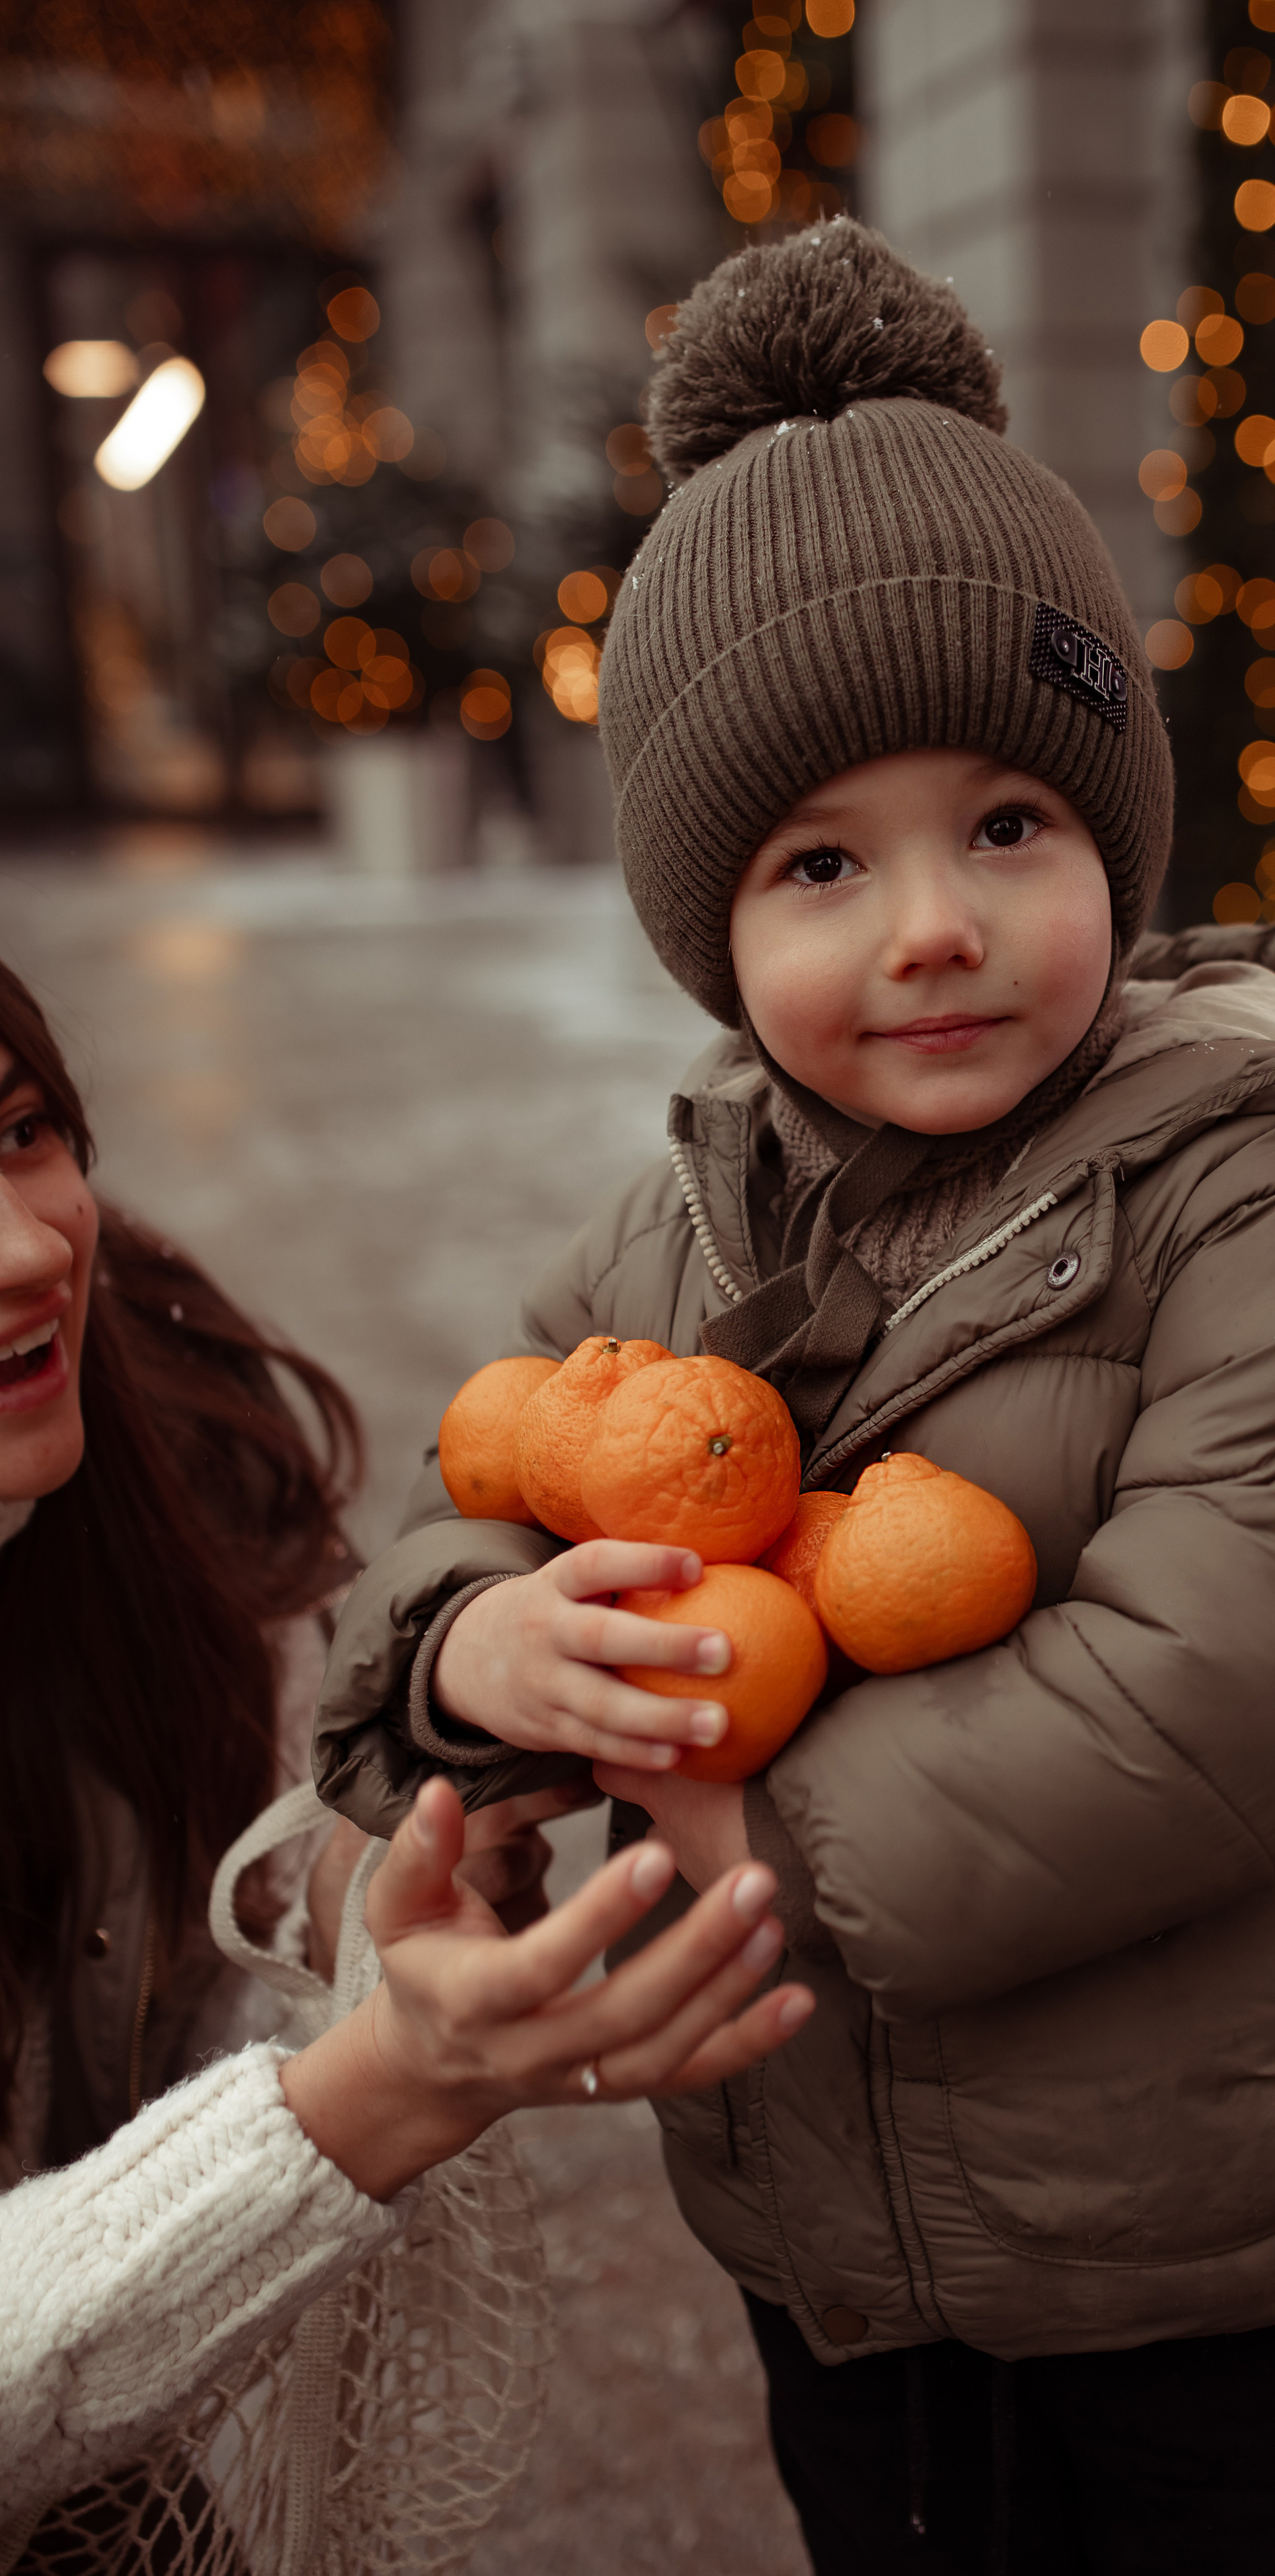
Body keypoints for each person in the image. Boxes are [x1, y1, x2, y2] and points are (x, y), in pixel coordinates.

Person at [312, 224, 1275, 2573]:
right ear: (710, 926)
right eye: (818, 863)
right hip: (837, 2239)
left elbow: (1260, 1661)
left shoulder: (1265, 1202)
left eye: (1006, 822)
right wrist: (474, 1654)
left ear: (1114, 828)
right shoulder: (685, 1225)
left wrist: (758, 1855)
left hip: (1198, 2234)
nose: (933, 926)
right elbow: (507, 1469)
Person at [0, 958, 814, 2549]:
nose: (34, 1249)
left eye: (24, 1131)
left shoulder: (165, 1435)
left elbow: (241, 1895)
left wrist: (398, 1871)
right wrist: (365, 2097)